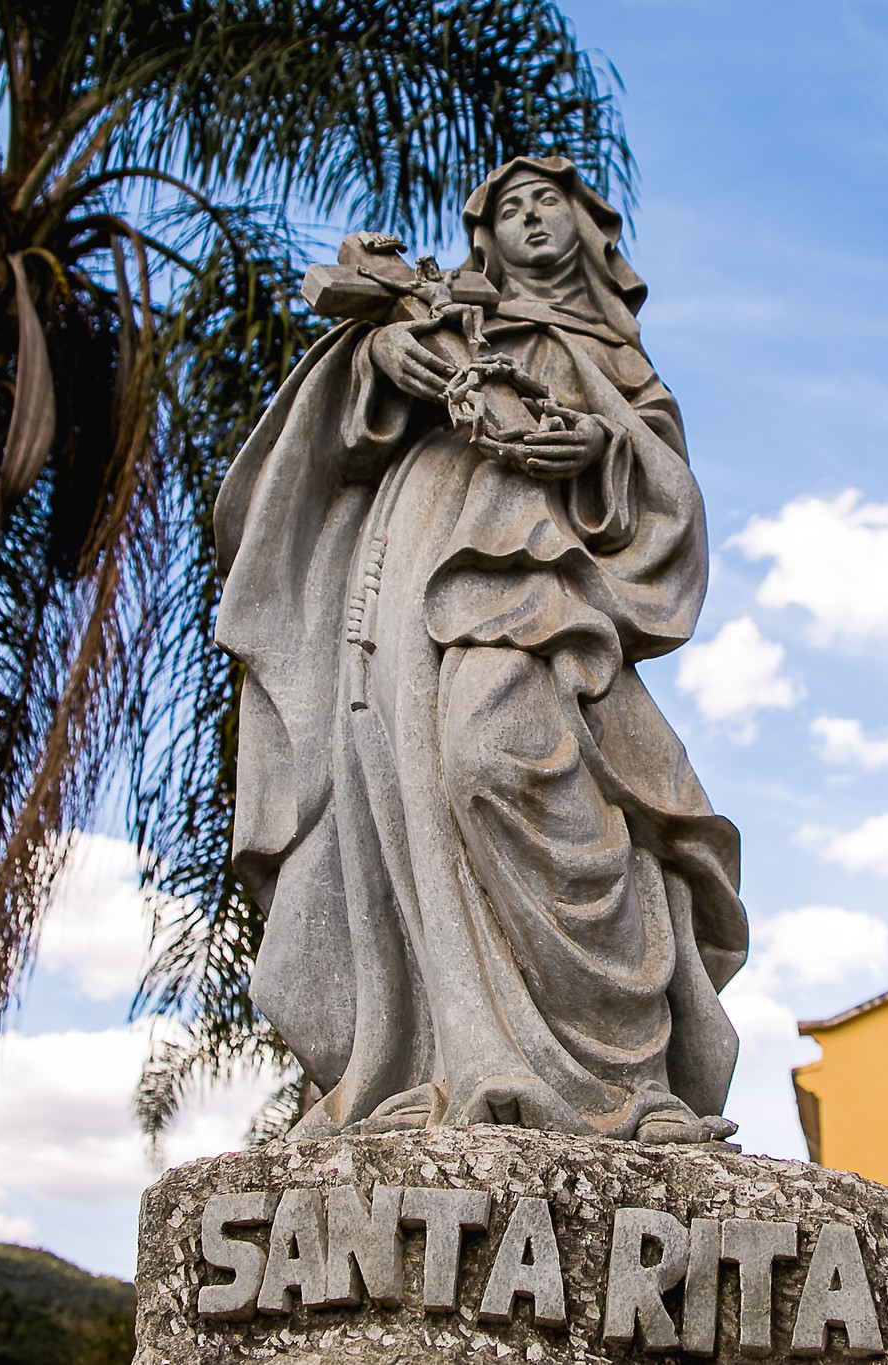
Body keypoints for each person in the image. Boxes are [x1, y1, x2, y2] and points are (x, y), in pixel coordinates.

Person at [213, 157, 746, 1145]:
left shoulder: (613, 355)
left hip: (538, 577)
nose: (533, 217)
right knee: (418, 785)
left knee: (502, 766)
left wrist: (596, 452)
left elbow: (661, 484)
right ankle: (456, 1054)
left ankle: (619, 1085)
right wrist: (383, 363)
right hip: (416, 559)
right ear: (483, 237)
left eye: (550, 201)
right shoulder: (441, 315)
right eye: (510, 207)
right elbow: (332, 439)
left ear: (587, 230)